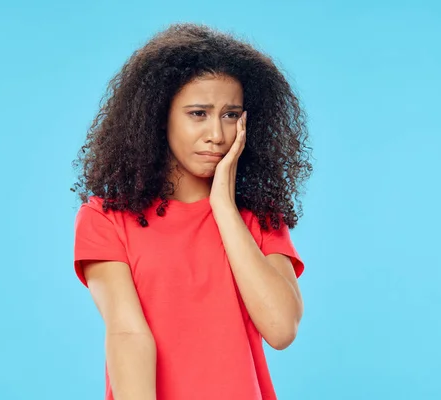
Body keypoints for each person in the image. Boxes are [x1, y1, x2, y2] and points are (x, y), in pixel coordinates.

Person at [71, 23, 312, 400]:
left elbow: (281, 329)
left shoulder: (259, 220)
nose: (217, 134)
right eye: (198, 113)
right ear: (158, 116)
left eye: (230, 115)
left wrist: (223, 208)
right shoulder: (106, 219)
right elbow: (127, 333)